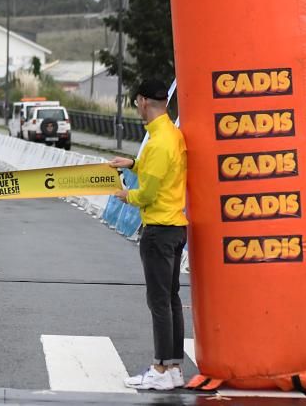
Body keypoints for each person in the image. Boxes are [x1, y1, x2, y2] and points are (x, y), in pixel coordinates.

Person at [108, 79, 187, 392]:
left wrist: (124, 194)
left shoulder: (156, 143)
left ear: (142, 101)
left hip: (158, 231)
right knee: (171, 300)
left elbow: (149, 194)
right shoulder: (173, 135)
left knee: (158, 302)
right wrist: (133, 164)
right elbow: (161, 172)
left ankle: (159, 368)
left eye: (136, 102)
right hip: (176, 227)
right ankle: (175, 368)